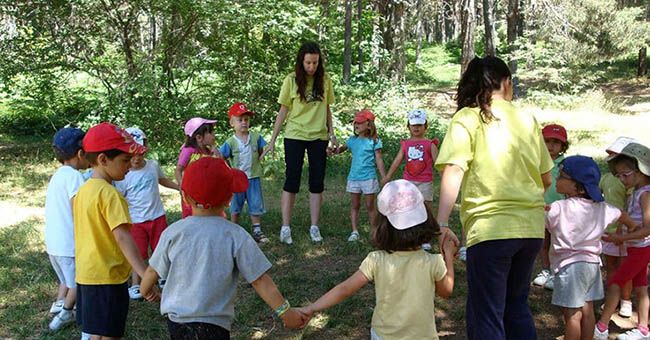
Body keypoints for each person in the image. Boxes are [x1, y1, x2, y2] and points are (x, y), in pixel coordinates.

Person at [435, 56, 554, 340]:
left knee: (486, 313)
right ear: (507, 83)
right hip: (531, 230)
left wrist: (441, 221)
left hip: (490, 230)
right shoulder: (526, 118)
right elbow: (546, 177)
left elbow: (454, 168)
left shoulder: (466, 118)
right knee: (516, 306)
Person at [140, 157, 307, 339]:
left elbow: (151, 271)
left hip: (177, 323)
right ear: (229, 199)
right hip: (215, 325)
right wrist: (285, 311)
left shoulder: (172, 232)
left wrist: (146, 290)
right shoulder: (236, 235)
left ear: (185, 197)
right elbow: (260, 280)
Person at [296, 180, 455, 339]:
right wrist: (448, 256)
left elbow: (344, 289)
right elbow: (446, 291)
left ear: (383, 227)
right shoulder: (432, 261)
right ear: (425, 221)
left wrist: (312, 307)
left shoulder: (376, 260)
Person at [74, 122, 159, 339]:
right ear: (103, 160)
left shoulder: (83, 191)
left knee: (96, 332)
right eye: (124, 160)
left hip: (86, 275)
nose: (130, 165)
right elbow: (122, 237)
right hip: (108, 278)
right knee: (111, 334)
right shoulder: (111, 195)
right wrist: (144, 274)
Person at [545, 156, 636, 340]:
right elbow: (622, 214)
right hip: (592, 266)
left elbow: (541, 218)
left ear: (577, 186)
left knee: (572, 315)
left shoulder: (558, 208)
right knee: (587, 311)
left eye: (562, 175)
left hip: (569, 267)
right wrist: (633, 228)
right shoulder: (602, 208)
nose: (557, 178)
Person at [262, 41, 337, 244]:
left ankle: (314, 226)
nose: (311, 67)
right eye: (308, 63)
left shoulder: (326, 80)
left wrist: (332, 134)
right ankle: (285, 227)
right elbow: (283, 110)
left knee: (316, 182)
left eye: (315, 63)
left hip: (318, 137)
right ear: (301, 61)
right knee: (291, 180)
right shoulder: (291, 80)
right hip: (294, 135)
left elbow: (327, 109)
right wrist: (272, 139)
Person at [114, 127, 179, 300]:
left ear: (145, 149)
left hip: (157, 216)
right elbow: (119, 197)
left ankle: (163, 277)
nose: (136, 159)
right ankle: (136, 283)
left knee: (161, 248)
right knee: (139, 253)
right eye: (131, 155)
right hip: (136, 221)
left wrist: (179, 188)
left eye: (140, 153)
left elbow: (162, 180)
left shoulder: (152, 166)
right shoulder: (124, 176)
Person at [596, 142, 650, 340]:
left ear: (642, 171)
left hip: (641, 248)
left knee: (617, 282)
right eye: (618, 175)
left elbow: (648, 228)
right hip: (636, 247)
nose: (621, 179)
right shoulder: (638, 191)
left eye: (625, 174)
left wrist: (623, 237)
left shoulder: (645, 194)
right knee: (641, 287)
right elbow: (632, 219)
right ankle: (644, 330)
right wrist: (622, 230)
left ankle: (601, 327)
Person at [44, 127, 89, 331]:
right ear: (80, 154)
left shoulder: (58, 175)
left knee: (66, 279)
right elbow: (77, 210)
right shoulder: (74, 178)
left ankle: (62, 304)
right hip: (68, 245)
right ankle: (64, 315)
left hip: (54, 244)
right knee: (77, 282)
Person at [383, 109, 439, 250]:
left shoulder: (430, 143)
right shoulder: (406, 144)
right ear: (408, 126)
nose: (416, 128)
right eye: (413, 125)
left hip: (425, 181)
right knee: (408, 207)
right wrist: (388, 176)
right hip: (409, 182)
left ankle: (426, 237)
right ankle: (409, 235)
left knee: (426, 207)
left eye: (419, 125)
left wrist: (445, 178)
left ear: (425, 126)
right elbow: (397, 160)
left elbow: (438, 162)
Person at [331, 109, 386, 242]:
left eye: (360, 123)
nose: (356, 125)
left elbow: (379, 159)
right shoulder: (352, 140)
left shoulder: (374, 141)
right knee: (355, 205)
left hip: (369, 178)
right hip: (354, 178)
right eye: (355, 123)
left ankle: (374, 231)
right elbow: (340, 150)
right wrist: (332, 150)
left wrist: (384, 176)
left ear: (369, 125)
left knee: (370, 206)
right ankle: (354, 231)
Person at [600, 136, 639, 318]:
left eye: (615, 155)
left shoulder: (631, 183)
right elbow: (598, 196)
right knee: (611, 265)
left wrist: (623, 227)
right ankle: (611, 299)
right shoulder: (607, 178)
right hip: (608, 229)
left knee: (625, 268)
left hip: (624, 231)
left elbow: (630, 205)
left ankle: (626, 300)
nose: (611, 159)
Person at [219, 102, 269, 243]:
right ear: (232, 123)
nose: (243, 123)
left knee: (255, 203)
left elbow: (261, 150)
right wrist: (229, 170)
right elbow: (222, 156)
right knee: (236, 205)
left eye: (246, 119)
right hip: (237, 180)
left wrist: (261, 157)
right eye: (240, 120)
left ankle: (257, 230)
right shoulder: (230, 142)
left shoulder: (255, 137)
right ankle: (234, 230)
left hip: (253, 177)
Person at [533, 123, 570, 291]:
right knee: (543, 241)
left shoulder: (566, 164)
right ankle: (546, 269)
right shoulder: (536, 161)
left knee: (558, 242)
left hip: (561, 211)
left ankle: (558, 271)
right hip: (541, 209)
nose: (551, 146)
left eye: (556, 142)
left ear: (563, 146)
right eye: (547, 141)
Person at [175, 117, 217, 218]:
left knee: (206, 216)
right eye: (210, 132)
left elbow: (219, 165)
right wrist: (182, 186)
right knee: (191, 216)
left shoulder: (208, 151)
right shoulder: (189, 151)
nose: (213, 135)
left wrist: (214, 150)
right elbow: (178, 169)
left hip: (206, 191)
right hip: (191, 193)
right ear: (199, 137)